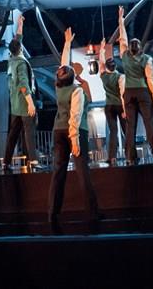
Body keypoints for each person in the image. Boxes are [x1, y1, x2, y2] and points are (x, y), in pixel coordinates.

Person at [48, 28, 99, 224]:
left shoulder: (58, 86)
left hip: (58, 131)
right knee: (82, 172)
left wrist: (67, 43)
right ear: (71, 76)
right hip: (75, 132)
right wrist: (75, 140)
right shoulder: (77, 90)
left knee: (58, 172)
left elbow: (63, 64)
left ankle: (52, 213)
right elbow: (75, 117)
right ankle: (93, 213)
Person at [116, 5, 153, 165]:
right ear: (140, 48)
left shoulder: (124, 55)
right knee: (149, 124)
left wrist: (121, 20)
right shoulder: (147, 59)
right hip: (143, 92)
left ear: (129, 48)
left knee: (130, 127)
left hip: (129, 93)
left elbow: (122, 38)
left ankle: (130, 158)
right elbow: (151, 80)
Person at [3, 13, 42, 171]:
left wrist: (20, 24)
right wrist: (30, 103)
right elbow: (24, 84)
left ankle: (6, 161)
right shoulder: (20, 63)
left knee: (13, 134)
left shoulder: (11, 59)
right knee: (29, 132)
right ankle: (33, 161)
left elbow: (17, 39)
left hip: (15, 105)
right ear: (20, 49)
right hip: (24, 104)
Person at [98, 45, 124, 166]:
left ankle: (112, 157)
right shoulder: (120, 77)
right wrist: (125, 110)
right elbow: (122, 94)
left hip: (109, 106)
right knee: (126, 131)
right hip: (119, 105)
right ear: (115, 67)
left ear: (106, 67)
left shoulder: (103, 76)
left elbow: (101, 63)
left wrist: (102, 49)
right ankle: (130, 154)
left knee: (113, 132)